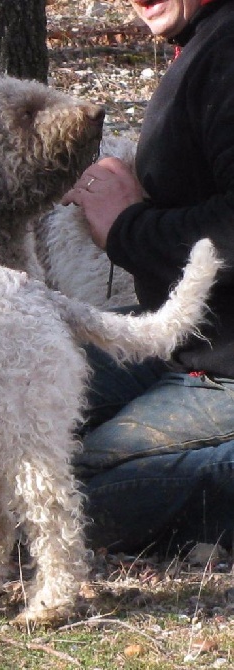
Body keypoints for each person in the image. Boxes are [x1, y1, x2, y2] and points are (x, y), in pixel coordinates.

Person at [61, 0, 234, 555]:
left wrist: (128, 226)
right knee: (13, 396)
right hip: (184, 339)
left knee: (65, 507)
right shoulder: (204, 35)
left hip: (224, 365)